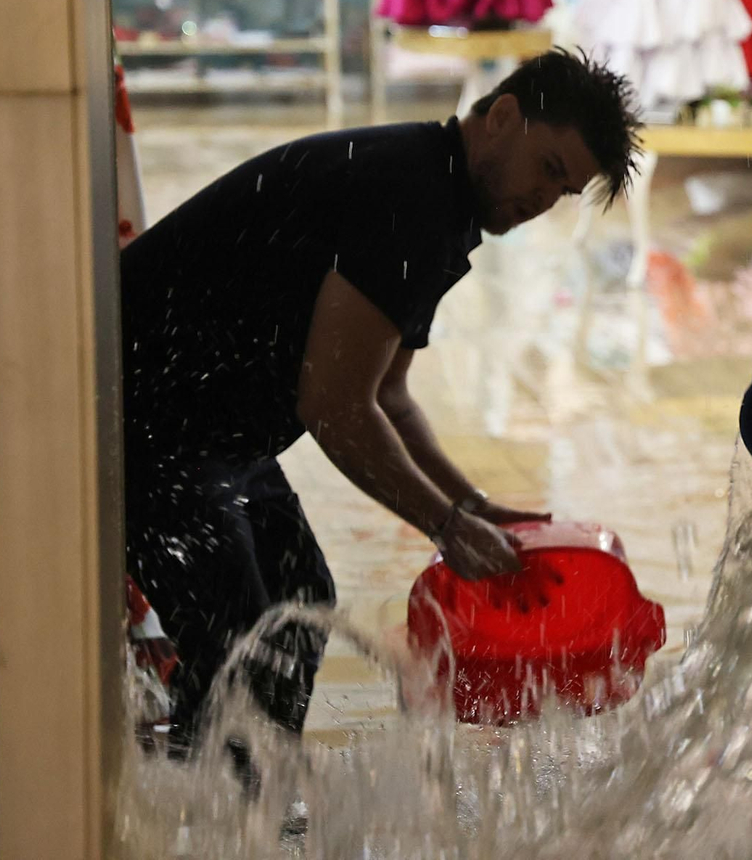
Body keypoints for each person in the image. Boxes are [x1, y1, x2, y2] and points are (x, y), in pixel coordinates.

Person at [120, 48, 643, 754]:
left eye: (564, 189)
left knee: (300, 600)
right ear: (503, 116)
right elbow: (334, 407)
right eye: (547, 167)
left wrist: (473, 504)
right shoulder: (410, 195)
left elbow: (388, 395)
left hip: (211, 429)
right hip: (145, 416)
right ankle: (205, 787)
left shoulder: (443, 198)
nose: (544, 199)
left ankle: (227, 781)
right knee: (244, 640)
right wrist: (445, 526)